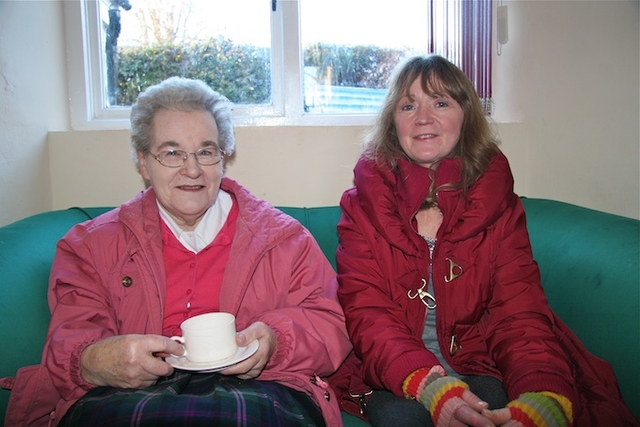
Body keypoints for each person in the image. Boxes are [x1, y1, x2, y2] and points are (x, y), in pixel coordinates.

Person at [3, 77, 352, 427]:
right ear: (143, 162)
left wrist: (277, 342)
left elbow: (330, 322)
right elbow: (69, 338)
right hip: (124, 395)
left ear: (223, 158)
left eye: (206, 151)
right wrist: (97, 358)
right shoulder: (91, 245)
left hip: (260, 389)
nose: (192, 169)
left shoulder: (285, 239)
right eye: (172, 153)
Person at [330, 55, 638, 427]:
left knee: (490, 407)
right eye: (408, 105)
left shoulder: (499, 204)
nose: (423, 117)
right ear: (393, 125)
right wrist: (430, 386)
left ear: (466, 116)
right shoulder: (360, 207)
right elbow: (368, 316)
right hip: (395, 375)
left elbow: (519, 311)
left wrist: (544, 394)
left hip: (476, 363)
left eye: (440, 102)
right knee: (401, 418)